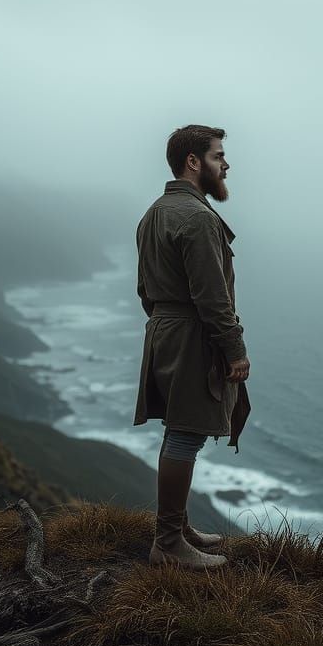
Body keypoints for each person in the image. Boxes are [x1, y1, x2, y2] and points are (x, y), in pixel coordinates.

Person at [133, 124, 252, 569]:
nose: (226, 165)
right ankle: (167, 544)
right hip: (192, 334)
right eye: (219, 156)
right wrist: (234, 350)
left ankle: (177, 527)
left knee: (180, 429)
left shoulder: (154, 213)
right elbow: (212, 296)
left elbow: (145, 289)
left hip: (165, 330)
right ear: (193, 162)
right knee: (186, 434)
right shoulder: (198, 218)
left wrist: (166, 326)